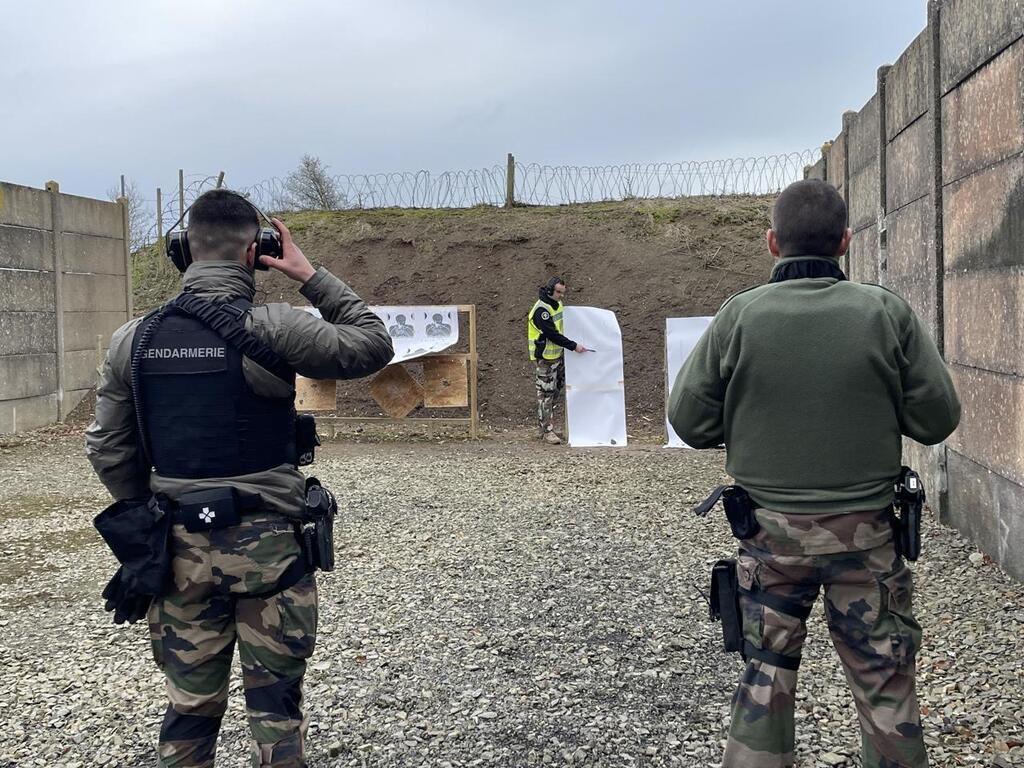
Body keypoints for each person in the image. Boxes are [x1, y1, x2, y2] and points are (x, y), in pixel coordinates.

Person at [85, 189, 393, 768]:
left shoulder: (136, 339)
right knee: (277, 715)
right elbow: (371, 343)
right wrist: (310, 275)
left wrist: (143, 515)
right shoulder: (276, 327)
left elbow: (108, 445)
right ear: (256, 253)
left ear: (182, 250)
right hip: (271, 552)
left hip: (175, 554)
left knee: (189, 709)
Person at [668, 179, 960, 768]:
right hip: (870, 539)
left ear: (772, 243)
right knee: (885, 681)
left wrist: (752, 419)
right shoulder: (885, 313)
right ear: (845, 242)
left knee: (764, 680)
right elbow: (936, 419)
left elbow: (690, 421)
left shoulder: (739, 316)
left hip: (770, 540)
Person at [527, 276, 588, 445]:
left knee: (554, 392)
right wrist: (573, 346)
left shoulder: (556, 305)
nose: (562, 295)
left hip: (557, 356)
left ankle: (545, 425)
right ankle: (546, 430)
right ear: (550, 290)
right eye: (559, 292)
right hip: (545, 357)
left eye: (563, 292)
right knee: (545, 394)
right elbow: (552, 334)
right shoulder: (542, 311)